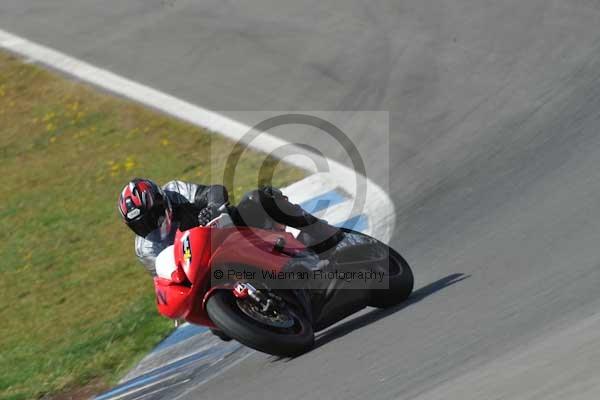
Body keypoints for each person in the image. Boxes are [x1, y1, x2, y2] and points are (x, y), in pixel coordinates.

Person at [117, 178, 343, 277]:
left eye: (152, 218)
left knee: (260, 197)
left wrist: (214, 207)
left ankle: (319, 231)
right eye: (141, 225)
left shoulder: (175, 191)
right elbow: (164, 278)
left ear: (161, 202)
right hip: (207, 269)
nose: (151, 227)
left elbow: (213, 191)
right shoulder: (145, 250)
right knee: (220, 329)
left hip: (231, 231)